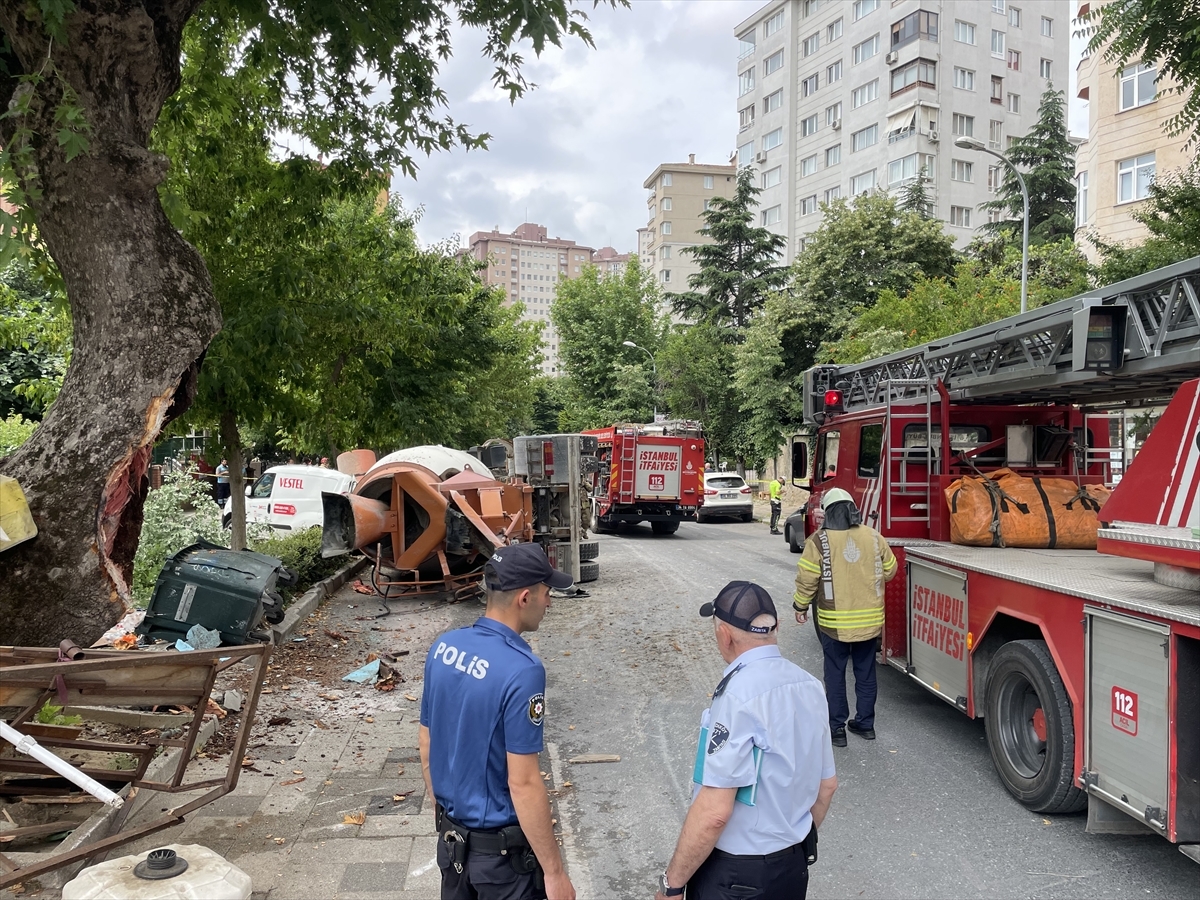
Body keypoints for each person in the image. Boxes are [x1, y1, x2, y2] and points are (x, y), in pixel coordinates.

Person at [656, 581, 838, 900]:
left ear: (724, 635)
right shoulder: (810, 686)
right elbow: (827, 786)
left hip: (738, 878)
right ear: (775, 627)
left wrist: (671, 884)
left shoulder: (738, 696)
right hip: (792, 869)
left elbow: (714, 812)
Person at [420, 543, 577, 900]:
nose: (549, 603)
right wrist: (554, 873)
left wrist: (444, 817)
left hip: (452, 847)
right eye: (547, 593)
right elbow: (522, 782)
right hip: (501, 866)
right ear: (525, 597)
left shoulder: (444, 647)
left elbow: (427, 743)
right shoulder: (522, 670)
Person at [793, 488, 897, 747]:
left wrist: (800, 606)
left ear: (827, 512)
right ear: (853, 509)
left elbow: (808, 579)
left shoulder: (819, 541)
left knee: (835, 673)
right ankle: (865, 724)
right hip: (869, 623)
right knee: (865, 672)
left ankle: (837, 728)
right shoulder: (873, 537)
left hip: (834, 625)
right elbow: (891, 570)